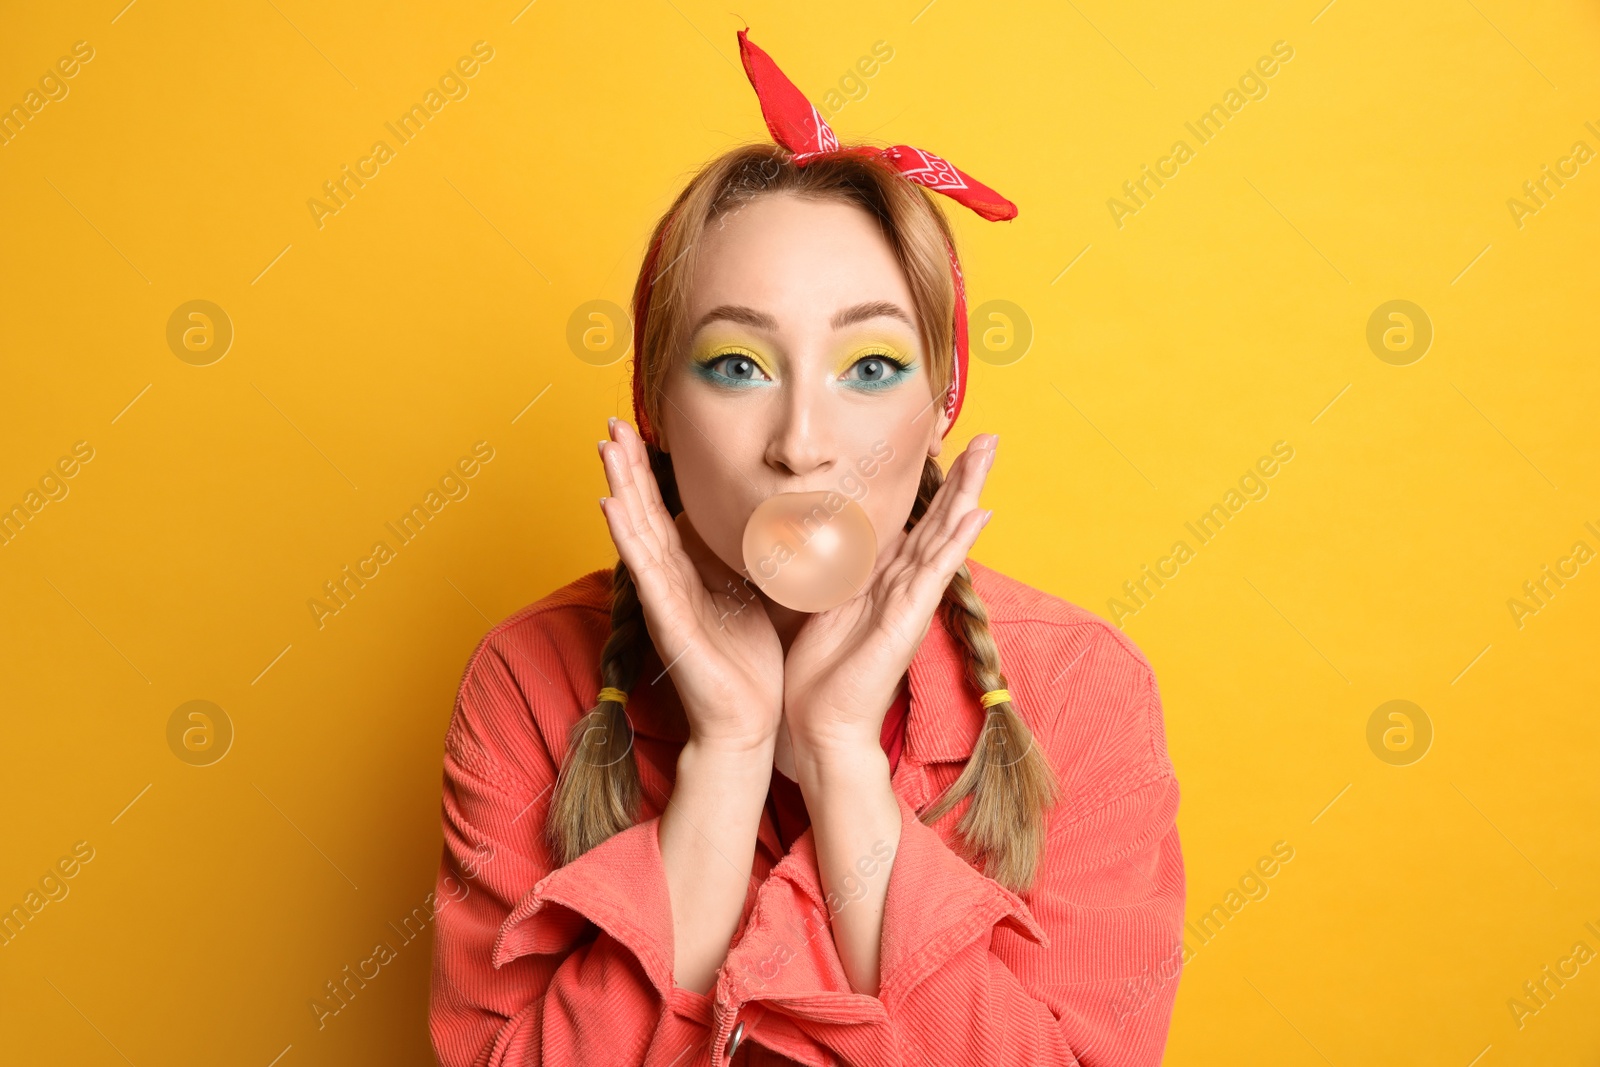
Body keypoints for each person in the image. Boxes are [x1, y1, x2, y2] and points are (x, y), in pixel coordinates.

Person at [429, 28, 1184, 1067]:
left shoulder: (1079, 686)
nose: (802, 443)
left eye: (868, 366)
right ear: (654, 406)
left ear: (937, 411)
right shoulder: (528, 679)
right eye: (737, 365)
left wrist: (839, 765)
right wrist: (730, 757)